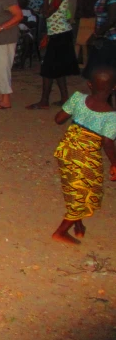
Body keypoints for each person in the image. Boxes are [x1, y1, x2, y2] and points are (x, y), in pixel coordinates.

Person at [51, 67, 116, 245]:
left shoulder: (78, 98)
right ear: (114, 88)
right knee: (88, 191)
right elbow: (108, 143)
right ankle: (60, 232)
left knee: (73, 187)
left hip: (67, 150)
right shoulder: (111, 116)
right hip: (85, 156)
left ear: (89, 84)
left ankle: (78, 225)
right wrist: (114, 163)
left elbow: (58, 119)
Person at [26, 0, 80, 110]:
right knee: (58, 68)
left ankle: (44, 101)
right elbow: (46, 13)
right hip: (58, 34)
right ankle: (64, 98)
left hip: (61, 35)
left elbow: (48, 13)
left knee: (48, 68)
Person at [83, 0, 116, 81]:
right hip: (107, 40)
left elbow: (112, 19)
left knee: (100, 78)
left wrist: (96, 34)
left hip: (109, 41)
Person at [74, 0, 97, 65]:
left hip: (91, 13)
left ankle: (89, 58)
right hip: (80, 12)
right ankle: (79, 58)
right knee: (79, 37)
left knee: (90, 37)